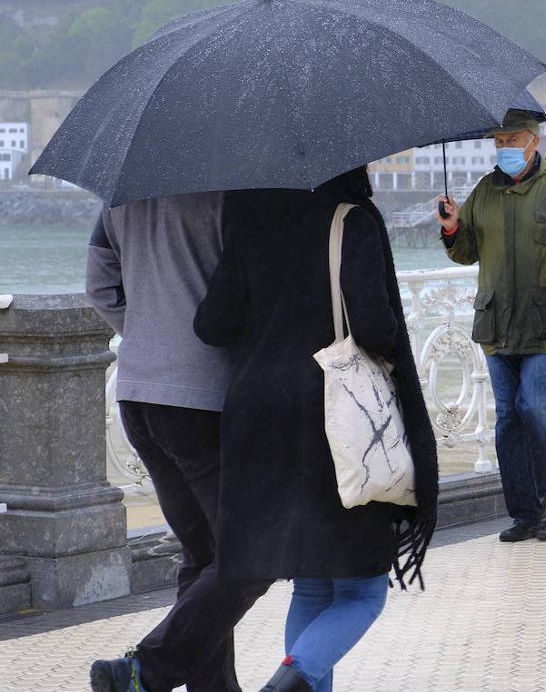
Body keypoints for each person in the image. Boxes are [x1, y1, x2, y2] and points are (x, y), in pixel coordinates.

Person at [193, 167, 439, 692]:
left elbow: (213, 324)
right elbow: (374, 329)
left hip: (258, 421)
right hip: (334, 424)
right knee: (362, 593)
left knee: (311, 587)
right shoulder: (351, 220)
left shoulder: (249, 216)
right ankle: (286, 684)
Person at [85, 193, 272, 692]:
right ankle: (143, 671)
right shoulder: (229, 194)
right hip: (201, 398)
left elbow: (99, 287)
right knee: (254, 553)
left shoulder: (120, 197)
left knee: (204, 554)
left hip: (137, 394)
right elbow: (246, 297)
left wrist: (148, 336)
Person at [437, 109, 546, 543]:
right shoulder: (484, 191)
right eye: (499, 142)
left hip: (545, 321)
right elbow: (466, 253)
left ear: (534, 141)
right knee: (508, 419)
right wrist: (452, 228)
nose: (504, 149)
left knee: (535, 405)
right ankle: (524, 512)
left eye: (512, 140)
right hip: (496, 323)